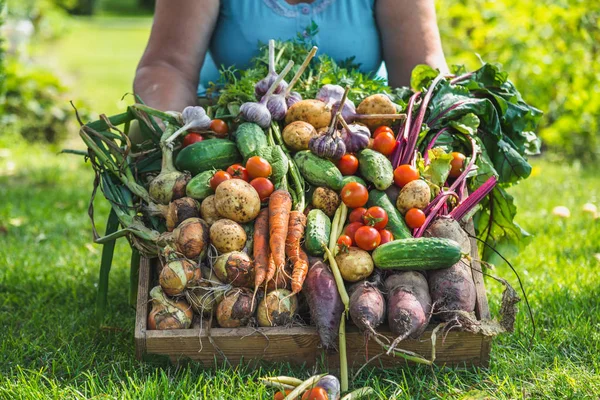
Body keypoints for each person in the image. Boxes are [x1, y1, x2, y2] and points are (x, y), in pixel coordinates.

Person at [134, 0, 448, 113]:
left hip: (354, 130)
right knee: (144, 128)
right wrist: (178, 131)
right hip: (230, 123)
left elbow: (422, 74)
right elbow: (166, 66)